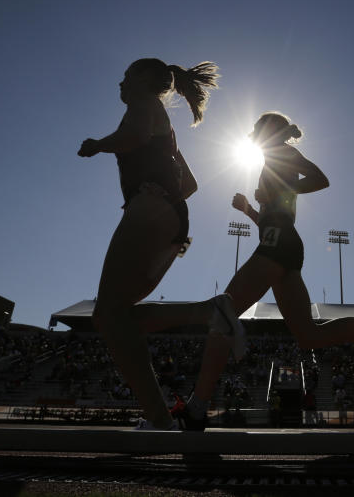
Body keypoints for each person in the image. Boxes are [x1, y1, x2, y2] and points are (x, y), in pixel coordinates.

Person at [134, 112, 354, 430]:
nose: (251, 132)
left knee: (222, 314)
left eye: (256, 128)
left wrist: (281, 189)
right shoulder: (270, 161)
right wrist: (250, 210)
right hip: (282, 242)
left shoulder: (283, 154)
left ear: (269, 130)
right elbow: (270, 221)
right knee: (308, 335)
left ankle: (196, 409)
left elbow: (320, 178)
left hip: (279, 243)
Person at [77, 58, 234, 431]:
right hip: (172, 219)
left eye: (126, 75)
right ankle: (209, 315)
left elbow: (135, 138)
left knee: (110, 315)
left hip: (149, 209)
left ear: (144, 80)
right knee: (114, 317)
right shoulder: (166, 128)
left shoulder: (143, 104)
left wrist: (98, 144)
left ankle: (161, 416)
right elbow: (191, 186)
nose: (121, 82)